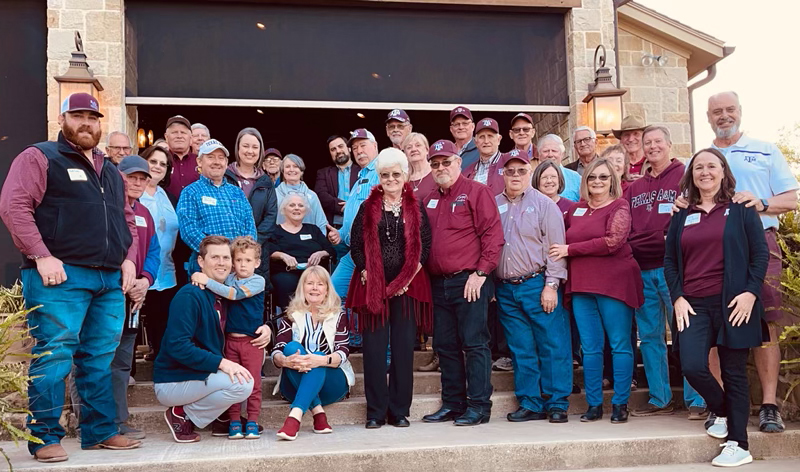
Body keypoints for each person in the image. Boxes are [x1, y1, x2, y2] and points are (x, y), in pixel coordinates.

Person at [0, 92, 141, 461]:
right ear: (63, 120)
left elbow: (126, 221)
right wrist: (41, 255)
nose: (86, 123)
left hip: (108, 280)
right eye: (77, 116)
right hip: (59, 277)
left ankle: (99, 431)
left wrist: (128, 260)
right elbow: (14, 206)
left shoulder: (111, 170)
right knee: (54, 354)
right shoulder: (39, 157)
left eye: (92, 118)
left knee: (99, 358)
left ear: (100, 124)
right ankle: (44, 437)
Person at [664, 148, 769, 467]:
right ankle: (722, 410)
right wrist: (678, 296)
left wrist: (751, 293)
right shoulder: (681, 212)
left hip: (734, 302)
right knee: (692, 365)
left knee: (734, 372)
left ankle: (739, 443)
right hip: (692, 304)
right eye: (698, 167)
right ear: (691, 175)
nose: (705, 172)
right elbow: (670, 261)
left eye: (712, 166)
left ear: (723, 171)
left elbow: (760, 255)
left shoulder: (740, 208)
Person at [707, 91, 799, 433]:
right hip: (715, 249)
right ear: (708, 116)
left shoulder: (766, 150)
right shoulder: (705, 158)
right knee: (714, 324)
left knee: (767, 324)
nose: (724, 116)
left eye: (730, 109)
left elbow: (791, 199)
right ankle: (721, 406)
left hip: (761, 243)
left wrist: (759, 203)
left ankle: (770, 405)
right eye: (717, 111)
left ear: (740, 112)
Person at [549, 158, 643, 424]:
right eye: (592, 177)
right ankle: (594, 404)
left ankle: (620, 403)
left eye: (603, 177)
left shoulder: (619, 206)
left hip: (614, 283)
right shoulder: (575, 210)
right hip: (581, 284)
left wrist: (571, 250)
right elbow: (557, 236)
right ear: (585, 182)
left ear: (612, 180)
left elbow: (613, 241)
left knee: (620, 344)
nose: (597, 182)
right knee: (590, 348)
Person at [347, 148, 433, 429]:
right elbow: (356, 245)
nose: (391, 179)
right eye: (385, 174)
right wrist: (365, 270)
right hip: (374, 288)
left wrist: (405, 280)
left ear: (405, 175)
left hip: (407, 289)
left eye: (396, 174)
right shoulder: (367, 206)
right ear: (379, 177)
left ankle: (399, 411)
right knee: (373, 350)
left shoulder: (415, 206)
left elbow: (424, 247)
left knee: (402, 349)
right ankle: (375, 412)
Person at [624, 126, 705, 419]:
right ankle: (660, 398)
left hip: (677, 269)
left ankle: (697, 400)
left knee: (687, 334)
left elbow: (690, 223)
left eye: (658, 141)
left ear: (669, 144)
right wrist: (659, 236)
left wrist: (663, 237)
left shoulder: (686, 178)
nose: (653, 146)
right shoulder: (634, 188)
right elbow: (629, 231)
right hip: (642, 271)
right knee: (649, 336)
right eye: (648, 142)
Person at [154, 236, 269, 443]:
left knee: (243, 380)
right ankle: (182, 413)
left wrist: (266, 328)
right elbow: (177, 345)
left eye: (226, 257)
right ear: (200, 261)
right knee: (242, 383)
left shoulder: (220, 295)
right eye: (215, 257)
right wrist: (222, 363)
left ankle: (221, 417)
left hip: (199, 375)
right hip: (174, 379)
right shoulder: (191, 295)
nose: (222, 263)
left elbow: (247, 313)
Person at [421, 140, 504, 426]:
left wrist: (481, 274)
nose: (441, 168)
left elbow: (493, 235)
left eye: (446, 162)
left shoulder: (477, 192)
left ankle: (479, 407)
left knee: (474, 343)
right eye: (435, 163)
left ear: (459, 163)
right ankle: (453, 404)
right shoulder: (430, 199)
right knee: (444, 345)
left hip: (469, 281)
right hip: (438, 284)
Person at [494, 151, 571, 423]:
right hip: (506, 288)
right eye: (510, 171)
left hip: (538, 284)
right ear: (502, 174)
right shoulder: (494, 205)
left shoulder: (544, 205)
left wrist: (551, 284)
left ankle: (557, 402)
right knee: (520, 347)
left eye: (521, 170)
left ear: (530, 172)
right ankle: (530, 402)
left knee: (552, 344)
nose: (515, 176)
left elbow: (555, 249)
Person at [190, 236, 267, 440]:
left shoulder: (258, 281)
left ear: (257, 263)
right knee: (232, 382)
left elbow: (233, 294)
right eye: (239, 260)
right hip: (230, 342)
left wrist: (206, 280)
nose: (243, 265)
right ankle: (234, 421)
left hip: (251, 342)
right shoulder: (229, 278)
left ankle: (252, 420)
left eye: (248, 261)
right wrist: (199, 275)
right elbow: (217, 282)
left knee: (254, 383)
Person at [109, 156, 161, 440]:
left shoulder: (145, 213)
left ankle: (119, 420)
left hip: (135, 299)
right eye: (132, 177)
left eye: (143, 178)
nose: (138, 182)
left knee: (122, 362)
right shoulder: (108, 208)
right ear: (120, 177)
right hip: (109, 294)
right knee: (98, 358)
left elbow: (154, 252)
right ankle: (90, 422)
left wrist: (145, 281)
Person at [271, 266, 355, 441]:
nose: (315, 288)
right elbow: (278, 349)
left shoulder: (338, 316)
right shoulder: (291, 315)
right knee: (291, 347)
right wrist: (285, 361)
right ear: (302, 288)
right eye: (310, 283)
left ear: (327, 290)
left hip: (332, 383)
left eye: (320, 284)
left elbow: (343, 351)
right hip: (294, 384)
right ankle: (317, 412)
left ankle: (294, 418)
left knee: (316, 356)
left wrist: (321, 359)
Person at [177, 139, 257, 273]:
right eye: (210, 157)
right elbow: (189, 231)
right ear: (199, 162)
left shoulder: (237, 192)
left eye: (221, 158)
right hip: (207, 267)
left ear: (226, 163)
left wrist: (240, 256)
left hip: (238, 267)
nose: (216, 162)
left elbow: (250, 226)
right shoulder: (190, 192)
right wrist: (220, 257)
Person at [139, 145, 180, 361]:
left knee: (163, 316)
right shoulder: (134, 193)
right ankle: (129, 369)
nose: (157, 167)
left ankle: (160, 356)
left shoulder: (170, 197)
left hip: (166, 269)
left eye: (163, 164)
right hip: (139, 268)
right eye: (153, 161)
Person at [329, 129, 381, 298]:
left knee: (363, 300)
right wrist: (340, 234)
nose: (359, 151)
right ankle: (348, 325)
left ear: (375, 146)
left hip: (375, 252)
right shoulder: (359, 179)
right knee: (334, 293)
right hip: (355, 252)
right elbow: (351, 217)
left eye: (363, 145)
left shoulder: (382, 172)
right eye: (355, 148)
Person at [223, 128, 279, 278]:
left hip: (256, 249)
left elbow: (271, 215)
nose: (250, 151)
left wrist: (251, 242)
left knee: (252, 293)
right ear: (238, 148)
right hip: (226, 248)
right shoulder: (224, 177)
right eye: (246, 146)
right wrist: (233, 243)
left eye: (255, 147)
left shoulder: (266, 181)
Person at [269, 194, 336, 311]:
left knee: (317, 282)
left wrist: (320, 253)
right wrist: (282, 255)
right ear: (284, 210)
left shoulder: (313, 229)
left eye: (300, 205)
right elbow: (269, 251)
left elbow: (330, 250)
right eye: (292, 205)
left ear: (306, 210)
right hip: (287, 272)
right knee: (286, 282)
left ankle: (316, 317)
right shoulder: (275, 230)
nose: (297, 208)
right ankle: (291, 318)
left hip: (313, 271)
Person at [274, 154, 328, 234]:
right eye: (288, 166)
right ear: (283, 171)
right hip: (280, 242)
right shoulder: (274, 194)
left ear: (302, 171)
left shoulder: (312, 196)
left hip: (308, 243)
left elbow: (321, 224)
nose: (291, 170)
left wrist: (319, 244)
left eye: (295, 166)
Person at [315, 135, 360, 228]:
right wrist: (343, 208)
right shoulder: (323, 173)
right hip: (335, 228)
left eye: (340, 146)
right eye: (333, 149)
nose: (338, 151)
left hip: (359, 225)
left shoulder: (362, 170)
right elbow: (321, 195)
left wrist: (352, 205)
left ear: (349, 148)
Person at [464, 117, 505, 195]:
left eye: (490, 136)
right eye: (482, 137)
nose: (486, 141)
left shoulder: (509, 163)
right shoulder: (468, 171)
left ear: (499, 140)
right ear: (475, 142)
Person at [163, 115, 198, 197]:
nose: (179, 136)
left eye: (183, 132)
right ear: (166, 137)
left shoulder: (200, 161)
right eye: (174, 132)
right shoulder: (159, 161)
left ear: (191, 138)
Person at [537, 134, 581, 202]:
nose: (550, 155)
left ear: (562, 154)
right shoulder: (531, 179)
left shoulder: (576, 178)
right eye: (546, 151)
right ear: (539, 155)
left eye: (554, 151)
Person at [403, 132, 438, 198]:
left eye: (418, 145)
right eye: (409, 147)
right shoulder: (403, 179)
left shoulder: (436, 171)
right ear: (405, 154)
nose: (413, 149)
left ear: (427, 150)